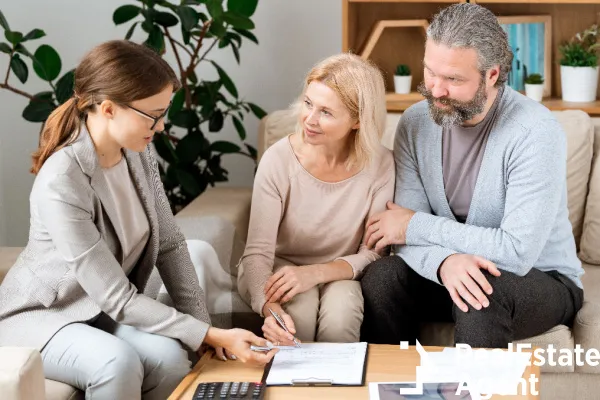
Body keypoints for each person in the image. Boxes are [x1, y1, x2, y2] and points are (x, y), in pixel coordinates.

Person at [0, 40, 276, 400]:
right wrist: (210, 335)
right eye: (153, 115)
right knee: (115, 362)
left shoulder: (138, 153)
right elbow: (117, 297)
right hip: (44, 316)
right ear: (109, 109)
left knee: (170, 360)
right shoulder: (61, 181)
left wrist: (203, 333)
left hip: (101, 312)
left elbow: (171, 245)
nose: (161, 127)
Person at [359, 3, 585, 348]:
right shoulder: (415, 123)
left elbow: (515, 251)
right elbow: (402, 233)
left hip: (541, 279)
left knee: (481, 291)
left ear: (491, 75)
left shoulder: (535, 132)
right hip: (455, 271)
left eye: (453, 79)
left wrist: (416, 226)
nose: (436, 90)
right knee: (382, 277)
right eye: (430, 72)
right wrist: (443, 262)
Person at [237, 53, 394, 345]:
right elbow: (257, 252)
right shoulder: (278, 160)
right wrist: (269, 309)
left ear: (358, 120)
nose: (309, 120)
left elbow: (373, 253)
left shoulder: (382, 165)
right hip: (277, 269)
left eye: (326, 112)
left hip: (341, 273)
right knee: (301, 316)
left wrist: (315, 273)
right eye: (308, 104)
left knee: (342, 315)